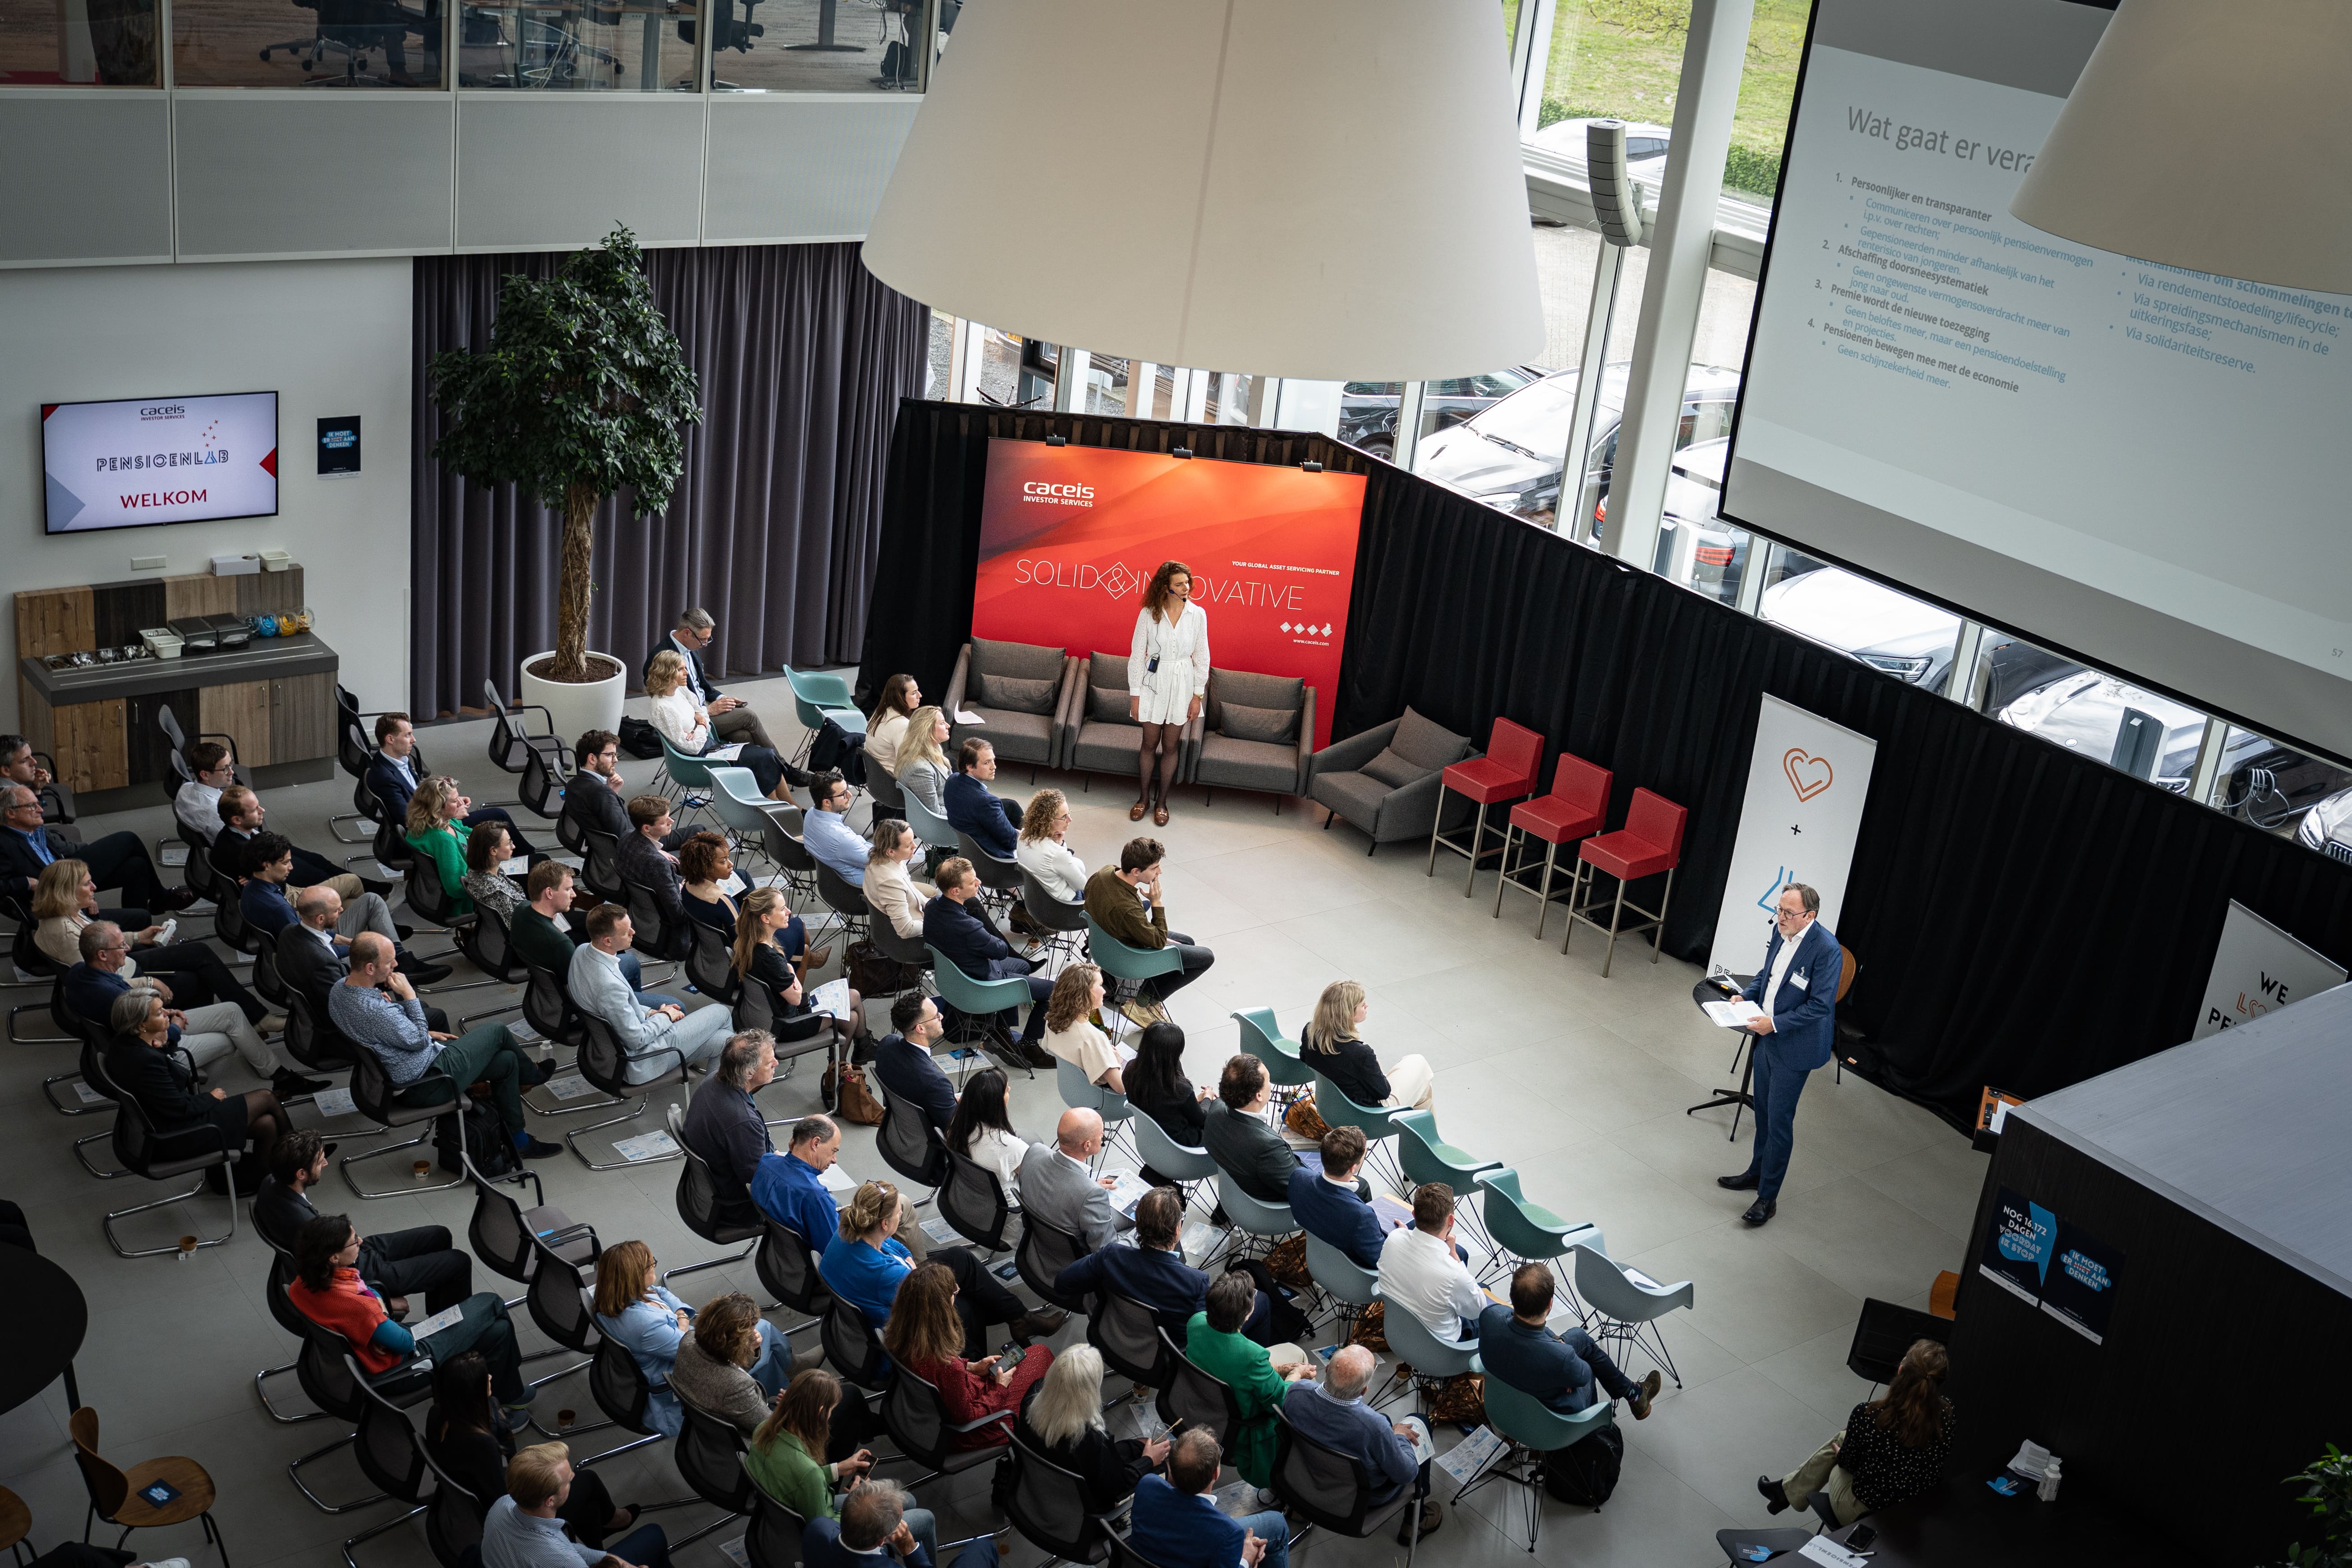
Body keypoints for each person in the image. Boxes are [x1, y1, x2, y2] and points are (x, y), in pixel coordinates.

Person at [290, 1213, 535, 1432]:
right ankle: (498, 1398)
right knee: (492, 1303)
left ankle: (505, 1395)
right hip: (406, 1366)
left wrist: (375, 1328)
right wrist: (379, 1321)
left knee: (499, 1330)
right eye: (354, 1241)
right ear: (334, 1258)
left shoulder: (300, 1285)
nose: (361, 1242)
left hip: (367, 1356)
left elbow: (365, 1304)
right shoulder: (358, 1306)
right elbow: (406, 1343)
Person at [331, 932, 563, 1158]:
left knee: (508, 1062)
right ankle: (532, 1075)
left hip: (396, 1076)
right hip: (426, 1082)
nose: (396, 964)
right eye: (389, 961)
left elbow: (382, 1031)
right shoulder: (377, 1012)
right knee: (497, 1030)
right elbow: (418, 1041)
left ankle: (520, 1142)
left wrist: (412, 1026)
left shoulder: (340, 989)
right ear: (370, 968)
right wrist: (409, 996)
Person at [818, 1179, 1063, 1358]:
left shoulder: (849, 1230)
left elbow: (894, 1245)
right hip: (903, 1329)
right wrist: (921, 1278)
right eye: (897, 1213)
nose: (901, 1212)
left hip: (882, 1295)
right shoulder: (889, 1274)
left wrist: (910, 1261)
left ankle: (1020, 1319)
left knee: (960, 1257)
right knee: (967, 1305)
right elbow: (926, 1306)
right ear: (884, 1223)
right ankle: (975, 1363)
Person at [67, 920, 308, 1093]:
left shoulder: (79, 972)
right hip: (154, 1053)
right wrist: (174, 1026)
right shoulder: (115, 998)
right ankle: (197, 1093)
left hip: (138, 1033)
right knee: (228, 1040)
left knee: (232, 1010)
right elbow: (156, 1042)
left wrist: (162, 1012)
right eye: (121, 946)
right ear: (102, 955)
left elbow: (127, 1000)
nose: (127, 949)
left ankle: (277, 1075)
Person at [1719, 882, 1840, 1227]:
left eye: (1788, 912)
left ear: (1809, 916)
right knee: (1763, 1113)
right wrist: (1747, 995)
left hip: (1793, 1046)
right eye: (1779, 909)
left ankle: (1768, 1198)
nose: (1780, 917)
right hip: (1766, 1036)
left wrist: (1774, 1024)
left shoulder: (1826, 950)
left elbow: (1820, 1006)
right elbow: (1769, 975)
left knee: (1779, 1123)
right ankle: (1757, 1173)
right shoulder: (1781, 931)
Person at [426, 1353, 638, 1548]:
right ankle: (613, 1520)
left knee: (587, 1507)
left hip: (462, 1505)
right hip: (513, 1520)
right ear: (473, 1392)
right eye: (485, 1377)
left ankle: (599, 1542)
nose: (490, 1377)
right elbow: (503, 1497)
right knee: (587, 1481)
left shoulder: (437, 1415)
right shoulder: (482, 1444)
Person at [40, 860, 277, 1028]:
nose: (94, 888)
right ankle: (180, 1034)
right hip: (123, 981)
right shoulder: (65, 933)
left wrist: (138, 937)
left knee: (199, 952)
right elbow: (96, 981)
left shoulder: (68, 911)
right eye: (87, 884)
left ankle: (253, 1017)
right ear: (66, 891)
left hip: (122, 965)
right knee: (197, 980)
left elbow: (99, 946)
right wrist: (149, 982)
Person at [258, 1128, 473, 1314]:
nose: (325, 1163)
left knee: (440, 1235)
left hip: (349, 1251)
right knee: (459, 1262)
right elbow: (329, 1281)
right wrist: (379, 1300)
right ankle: (457, 1332)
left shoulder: (270, 1184)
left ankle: (440, 1316)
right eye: (319, 1161)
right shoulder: (304, 1223)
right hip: (360, 1271)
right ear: (301, 1174)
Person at [1056, 1185, 1290, 1348]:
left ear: (1138, 1224)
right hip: (1167, 1351)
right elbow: (1204, 1337)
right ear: (1178, 1230)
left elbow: (1063, 1283)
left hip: (1111, 1333)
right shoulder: (1196, 1282)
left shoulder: (1111, 1255)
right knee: (1262, 1301)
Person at [1760, 1340, 1953, 1527]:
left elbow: (1849, 1464)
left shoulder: (1869, 1414)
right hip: (1914, 1514)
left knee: (1838, 1445)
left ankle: (1786, 1493)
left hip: (1866, 1515)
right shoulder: (1948, 1414)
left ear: (1900, 1371)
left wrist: (1842, 1451)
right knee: (1848, 1442)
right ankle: (1784, 1492)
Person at [882, 1260, 1054, 1445]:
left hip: (934, 1410)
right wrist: (1001, 1387)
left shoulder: (900, 1335)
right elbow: (969, 1417)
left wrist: (971, 1366)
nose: (957, 1294)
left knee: (1036, 1355)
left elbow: (935, 1374)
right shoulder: (948, 1366)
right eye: (954, 1293)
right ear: (941, 1307)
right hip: (973, 1429)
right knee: (1041, 1354)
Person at [106, 990, 290, 1159]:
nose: (168, 1013)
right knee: (266, 1097)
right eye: (160, 1013)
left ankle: (268, 1174)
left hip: (161, 1120)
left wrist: (164, 1043)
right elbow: (180, 1108)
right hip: (177, 1133)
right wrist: (212, 1098)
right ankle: (301, 1155)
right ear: (142, 1026)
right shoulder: (148, 1061)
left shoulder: (123, 1042)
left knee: (268, 1124)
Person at [1286, 1345, 1439, 1545]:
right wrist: (1399, 1437)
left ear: (1328, 1369)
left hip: (1303, 1478)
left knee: (1385, 1420)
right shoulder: (1374, 1427)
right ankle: (1416, 1522)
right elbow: (1406, 1474)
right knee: (1421, 1421)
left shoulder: (1296, 1392)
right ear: (1365, 1390)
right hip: (1360, 1498)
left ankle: (1299, 1510)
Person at [569, 905, 734, 1080]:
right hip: (640, 1059)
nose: (633, 932)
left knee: (726, 1041)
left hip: (610, 1049)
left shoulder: (582, 951)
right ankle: (723, 1090)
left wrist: (651, 1013)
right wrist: (665, 1016)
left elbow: (619, 1008)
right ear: (608, 941)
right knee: (721, 1012)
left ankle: (717, 1091)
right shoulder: (609, 987)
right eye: (626, 932)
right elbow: (637, 1040)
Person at [1181, 1271, 1314, 1487]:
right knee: (1297, 1354)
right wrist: (1295, 1374)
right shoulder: (1253, 1356)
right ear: (1247, 1314)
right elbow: (1281, 1400)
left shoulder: (1195, 1322)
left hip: (1200, 1404)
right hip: (1242, 1428)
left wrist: (1274, 1370)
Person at [1478, 1262, 1657, 1421]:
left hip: (1502, 1401)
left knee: (1579, 1336)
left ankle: (1633, 1392)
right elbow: (1584, 1375)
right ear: (1550, 1304)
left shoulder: (1489, 1316)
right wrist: (1565, 1368)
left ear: (1512, 1296)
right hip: (1549, 1418)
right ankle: (1621, 1404)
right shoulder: (1562, 1358)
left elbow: (1522, 1325)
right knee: (1588, 1363)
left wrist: (1558, 1344)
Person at [277, 885, 456, 1036]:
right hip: (345, 1027)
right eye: (337, 910)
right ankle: (437, 1062)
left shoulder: (290, 931)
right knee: (435, 1015)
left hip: (328, 1003)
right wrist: (376, 994)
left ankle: (403, 965)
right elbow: (345, 1007)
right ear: (321, 919)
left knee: (422, 1007)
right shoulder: (324, 964)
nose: (342, 910)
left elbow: (329, 948)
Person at [923, 857, 1051, 1055]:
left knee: (1023, 967)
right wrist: (984, 940)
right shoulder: (969, 928)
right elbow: (1001, 951)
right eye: (972, 882)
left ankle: (1001, 1030)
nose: (979, 882)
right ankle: (1029, 1045)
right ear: (955, 891)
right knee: (1055, 991)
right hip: (980, 983)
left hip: (954, 977)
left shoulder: (933, 907)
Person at [1018, 1345, 1167, 1512]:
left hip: (1045, 1475)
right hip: (1085, 1505)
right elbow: (1117, 1488)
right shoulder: (1092, 1438)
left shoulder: (1034, 1394)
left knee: (1143, 1444)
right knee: (1168, 1466)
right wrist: (1149, 1460)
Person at [0, 783, 194, 912]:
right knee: (128, 839)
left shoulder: (34, 828)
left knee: (137, 867)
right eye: (32, 806)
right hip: (56, 887)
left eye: (38, 804)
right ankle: (160, 898)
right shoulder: (4, 843)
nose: (41, 809)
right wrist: (28, 883)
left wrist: (98, 851)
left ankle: (138, 930)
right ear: (10, 813)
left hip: (67, 867)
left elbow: (62, 849)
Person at [745, 1369, 891, 1536]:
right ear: (821, 1412)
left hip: (778, 1514)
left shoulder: (763, 1430)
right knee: (909, 1504)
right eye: (831, 1410)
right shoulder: (809, 1473)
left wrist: (837, 1469)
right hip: (820, 1531)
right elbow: (824, 1531)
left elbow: (797, 1479)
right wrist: (854, 1502)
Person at [1082, 839, 1214, 1025]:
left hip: (1103, 943)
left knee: (1187, 942)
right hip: (1126, 957)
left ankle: (1148, 998)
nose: (1160, 872)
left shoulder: (1104, 873)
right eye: (1154, 868)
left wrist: (1155, 937)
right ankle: (1143, 1004)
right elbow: (1158, 941)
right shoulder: (1127, 908)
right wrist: (1156, 902)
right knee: (1206, 958)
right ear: (1136, 871)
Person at [368, 713, 539, 856]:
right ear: (390, 739)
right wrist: (450, 814)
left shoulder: (399, 760)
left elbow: (421, 795)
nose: (414, 739)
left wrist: (449, 800)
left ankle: (528, 858)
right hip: (430, 830)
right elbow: (407, 820)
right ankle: (528, 860)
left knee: (497, 815)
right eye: (407, 735)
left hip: (435, 815)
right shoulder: (384, 777)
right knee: (498, 815)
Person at [483, 1441, 673, 1568]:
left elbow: (571, 1549)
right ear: (550, 1500)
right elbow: (567, 1555)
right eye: (568, 1481)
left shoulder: (502, 1505)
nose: (574, 1476)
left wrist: (613, 1561)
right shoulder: (565, 1562)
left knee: (589, 1506)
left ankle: (603, 1530)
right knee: (654, 1534)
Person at [645, 648, 796, 800]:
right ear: (666, 673)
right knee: (765, 757)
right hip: (698, 759)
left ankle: (786, 806)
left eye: (685, 668)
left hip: (708, 744)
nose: (687, 673)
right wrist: (701, 725)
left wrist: (698, 724)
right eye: (681, 670)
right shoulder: (662, 709)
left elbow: (702, 711)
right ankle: (779, 806)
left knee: (762, 754)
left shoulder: (679, 689)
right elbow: (693, 747)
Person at [1128, 1429, 1288, 1568]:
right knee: (1278, 1524)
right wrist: (1246, 1558)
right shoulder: (1228, 1533)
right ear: (1216, 1474)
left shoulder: (1148, 1484)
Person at [732, 887, 860, 1058]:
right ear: (766, 918)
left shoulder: (748, 944)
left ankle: (849, 1059)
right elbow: (796, 999)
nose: (789, 912)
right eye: (782, 909)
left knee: (852, 1011)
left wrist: (788, 972)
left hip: (767, 1017)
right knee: (853, 1004)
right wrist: (791, 970)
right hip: (788, 1024)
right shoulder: (771, 959)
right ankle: (856, 1053)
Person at [1128, 560, 1210, 827]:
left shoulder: (1198, 615)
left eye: (1187, 582)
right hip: (1153, 683)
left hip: (1183, 684)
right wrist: (1135, 695)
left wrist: (1197, 696)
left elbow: (1203, 657)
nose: (1186, 588)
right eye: (1179, 584)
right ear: (1166, 587)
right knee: (1149, 743)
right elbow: (1137, 656)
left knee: (1172, 746)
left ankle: (1162, 802)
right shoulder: (1149, 613)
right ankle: (1143, 799)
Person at [668, 1291, 816, 1431]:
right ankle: (792, 1371)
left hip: (706, 1406)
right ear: (736, 1344)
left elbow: (722, 1366)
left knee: (766, 1353)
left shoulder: (688, 1340)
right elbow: (769, 1428)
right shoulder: (739, 1387)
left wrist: (751, 1349)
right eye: (750, 1332)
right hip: (744, 1436)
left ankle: (789, 1372)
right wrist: (790, 1407)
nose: (754, 1333)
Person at [240, 830, 405, 957]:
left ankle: (388, 941)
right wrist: (356, 947)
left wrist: (347, 940)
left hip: (311, 940)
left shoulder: (251, 890)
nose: (291, 867)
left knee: (363, 903)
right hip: (326, 958)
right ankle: (398, 955)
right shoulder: (280, 909)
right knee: (371, 901)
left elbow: (307, 934)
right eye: (285, 863)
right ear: (267, 865)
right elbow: (317, 950)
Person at [647, 608, 782, 754]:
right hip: (695, 718)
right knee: (749, 717)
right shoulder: (660, 656)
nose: (705, 645)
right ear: (687, 633)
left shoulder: (691, 645)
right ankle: (782, 765)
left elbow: (703, 686)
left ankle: (761, 767)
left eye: (708, 639)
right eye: (703, 640)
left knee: (744, 736)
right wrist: (707, 712)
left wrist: (722, 699)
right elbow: (664, 698)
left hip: (702, 709)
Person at [681, 1030, 780, 1227]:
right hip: (739, 1209)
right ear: (749, 1073)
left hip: (710, 1190)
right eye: (770, 1062)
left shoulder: (713, 1080)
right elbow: (759, 1183)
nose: (776, 1063)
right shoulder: (743, 1122)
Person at [212, 784, 366, 902]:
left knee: (348, 901)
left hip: (280, 890)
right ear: (237, 820)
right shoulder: (242, 851)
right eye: (254, 810)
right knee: (353, 882)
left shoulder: (231, 835)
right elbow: (275, 882)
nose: (262, 810)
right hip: (287, 896)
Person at [1377, 1183, 1491, 1342]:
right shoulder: (1455, 1275)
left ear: (1414, 1214)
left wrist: (1403, 1232)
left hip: (1397, 1331)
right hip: (1440, 1347)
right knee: (1492, 1306)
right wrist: (1455, 1258)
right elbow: (1478, 1311)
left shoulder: (1394, 1239)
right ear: (1451, 1220)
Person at [1299, 980, 1434, 1112]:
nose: (1367, 1006)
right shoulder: (1360, 1053)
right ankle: (1421, 1126)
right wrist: (1376, 1068)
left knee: (1424, 1091)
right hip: (1367, 1114)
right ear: (1349, 1013)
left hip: (1329, 1107)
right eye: (1362, 1005)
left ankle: (1422, 1124)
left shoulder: (1310, 1032)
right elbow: (1384, 1092)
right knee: (1419, 1062)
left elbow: (1304, 1057)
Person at [807, 1478, 999, 1568]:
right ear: (883, 1540)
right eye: (900, 1520)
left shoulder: (817, 1527)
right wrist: (909, 1548)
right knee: (982, 1547)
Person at [1016, 1107, 1130, 1251]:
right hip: (1076, 1260)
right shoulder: (1091, 1195)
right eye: (1101, 1133)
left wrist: (1090, 1187)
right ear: (1087, 1145)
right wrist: (1089, 1190)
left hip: (1036, 1247)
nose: (1103, 1135)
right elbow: (1105, 1252)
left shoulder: (1035, 1151)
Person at [1202, 1055, 1308, 1205]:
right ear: (1259, 1095)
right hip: (1270, 1209)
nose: (1271, 1085)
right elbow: (1302, 1191)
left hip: (1234, 1198)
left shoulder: (1215, 1111)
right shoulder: (1269, 1147)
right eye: (1269, 1081)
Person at [1288, 1126, 1395, 1271]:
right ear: (1353, 1168)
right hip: (1352, 1275)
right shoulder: (1362, 1216)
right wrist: (1400, 1237)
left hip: (1315, 1259)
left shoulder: (1298, 1177)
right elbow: (1382, 1260)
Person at [564, 730, 688, 855]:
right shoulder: (602, 793)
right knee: (696, 833)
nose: (616, 760)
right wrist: (656, 850)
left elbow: (606, 819)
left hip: (609, 849)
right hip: (641, 845)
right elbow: (626, 836)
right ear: (592, 759)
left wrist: (613, 792)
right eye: (610, 755)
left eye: (615, 755)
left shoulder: (573, 785)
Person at [612, 796, 693, 958]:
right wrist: (695, 893)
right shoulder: (657, 863)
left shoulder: (627, 837)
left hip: (642, 916)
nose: (671, 821)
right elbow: (678, 915)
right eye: (665, 821)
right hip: (673, 938)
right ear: (647, 828)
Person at [872, 993, 956, 1135]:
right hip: (930, 1136)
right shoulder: (937, 1083)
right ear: (920, 1029)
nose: (942, 1016)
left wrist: (948, 1100)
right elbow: (955, 1130)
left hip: (900, 1129)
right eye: (936, 1016)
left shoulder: (887, 1044)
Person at [1039, 963, 1123, 1093]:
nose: (1105, 991)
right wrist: (1117, 1062)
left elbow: (1046, 1046)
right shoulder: (1093, 1038)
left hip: (1073, 1092)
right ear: (1085, 992)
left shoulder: (1052, 1021)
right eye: (1100, 985)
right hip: (1102, 1098)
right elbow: (1121, 1088)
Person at [943, 1065, 1026, 1195]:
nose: (1009, 1089)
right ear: (996, 1103)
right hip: (1008, 1202)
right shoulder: (1010, 1146)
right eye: (1006, 1090)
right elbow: (1033, 1178)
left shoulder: (956, 1128)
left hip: (968, 1196)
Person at [406, 774, 477, 915]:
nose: (461, 803)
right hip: (467, 901)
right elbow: (457, 888)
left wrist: (488, 836)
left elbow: (463, 831)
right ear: (438, 807)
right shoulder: (445, 841)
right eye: (454, 801)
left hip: (444, 890)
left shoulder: (433, 822)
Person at [943, 739, 1022, 860]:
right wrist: (1023, 836)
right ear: (970, 767)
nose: (994, 767)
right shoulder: (987, 803)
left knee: (1012, 806)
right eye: (987, 763)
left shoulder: (953, 780)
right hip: (995, 858)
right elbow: (1012, 842)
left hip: (971, 846)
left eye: (993, 760)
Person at [862, 820, 930, 942]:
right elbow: (906, 930)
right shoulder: (890, 882)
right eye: (908, 846)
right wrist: (937, 922)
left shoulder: (888, 859)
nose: (915, 846)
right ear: (891, 851)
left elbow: (911, 888)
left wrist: (935, 907)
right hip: (914, 940)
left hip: (916, 913)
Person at [1014, 789, 1085, 903]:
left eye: (1069, 813)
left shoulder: (1023, 837)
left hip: (1033, 901)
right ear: (1049, 821)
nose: (1070, 820)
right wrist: (1060, 848)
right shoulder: (1056, 853)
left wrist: (1059, 845)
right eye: (1065, 816)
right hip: (1061, 905)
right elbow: (1081, 885)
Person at [804, 771, 872, 886]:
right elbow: (878, 862)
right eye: (843, 794)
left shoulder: (811, 814)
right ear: (827, 802)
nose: (850, 795)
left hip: (833, 883)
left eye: (847, 789)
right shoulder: (841, 838)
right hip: (861, 887)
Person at [892, 708, 953, 821]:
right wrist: (964, 806)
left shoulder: (934, 749)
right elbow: (936, 814)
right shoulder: (920, 769)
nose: (948, 726)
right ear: (927, 729)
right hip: (943, 823)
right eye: (942, 723)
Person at [462, 820, 526, 922]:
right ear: (493, 851)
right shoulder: (496, 892)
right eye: (509, 843)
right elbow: (517, 925)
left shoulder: (475, 871)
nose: (513, 847)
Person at [174, 740, 236, 841]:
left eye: (231, 764)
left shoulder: (185, 788)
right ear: (205, 775)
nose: (232, 772)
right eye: (225, 769)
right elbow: (240, 840)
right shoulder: (215, 812)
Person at [863, 674, 920, 780]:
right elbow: (906, 765)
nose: (920, 696)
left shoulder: (879, 714)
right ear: (900, 698)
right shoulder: (902, 725)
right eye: (914, 693)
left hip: (875, 778)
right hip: (892, 782)